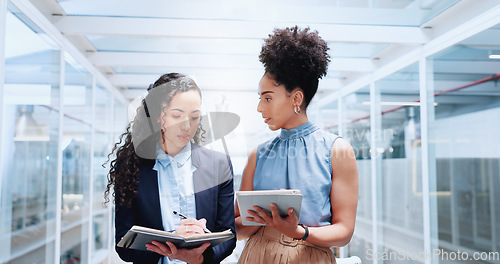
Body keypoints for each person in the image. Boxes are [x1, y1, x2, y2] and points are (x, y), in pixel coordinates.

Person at [235, 26, 359, 264]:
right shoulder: (257, 155)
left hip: (308, 256)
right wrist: (257, 221)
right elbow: (239, 228)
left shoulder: (337, 150)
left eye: (268, 98)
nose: (260, 108)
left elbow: (344, 232)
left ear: (296, 99)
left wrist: (297, 231)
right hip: (256, 255)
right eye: (260, 99)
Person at [105, 73, 236, 264]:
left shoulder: (219, 165)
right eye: (177, 115)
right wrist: (170, 240)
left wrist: (198, 256)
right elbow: (124, 246)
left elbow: (228, 236)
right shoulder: (131, 168)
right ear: (159, 116)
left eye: (194, 117)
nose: (187, 126)